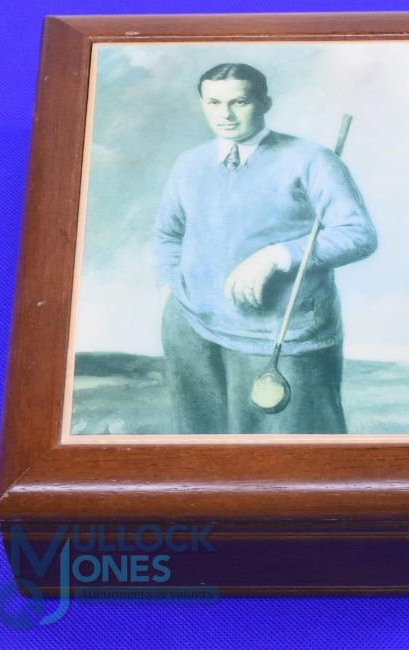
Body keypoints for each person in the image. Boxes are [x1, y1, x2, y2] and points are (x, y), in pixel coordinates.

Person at [154, 63, 377, 434]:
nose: (225, 114)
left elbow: (359, 234)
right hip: (191, 330)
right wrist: (169, 291)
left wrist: (276, 256)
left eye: (238, 102)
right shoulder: (189, 164)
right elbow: (168, 233)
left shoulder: (312, 159)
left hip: (282, 336)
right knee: (201, 453)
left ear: (264, 103)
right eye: (214, 103)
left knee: (293, 458)